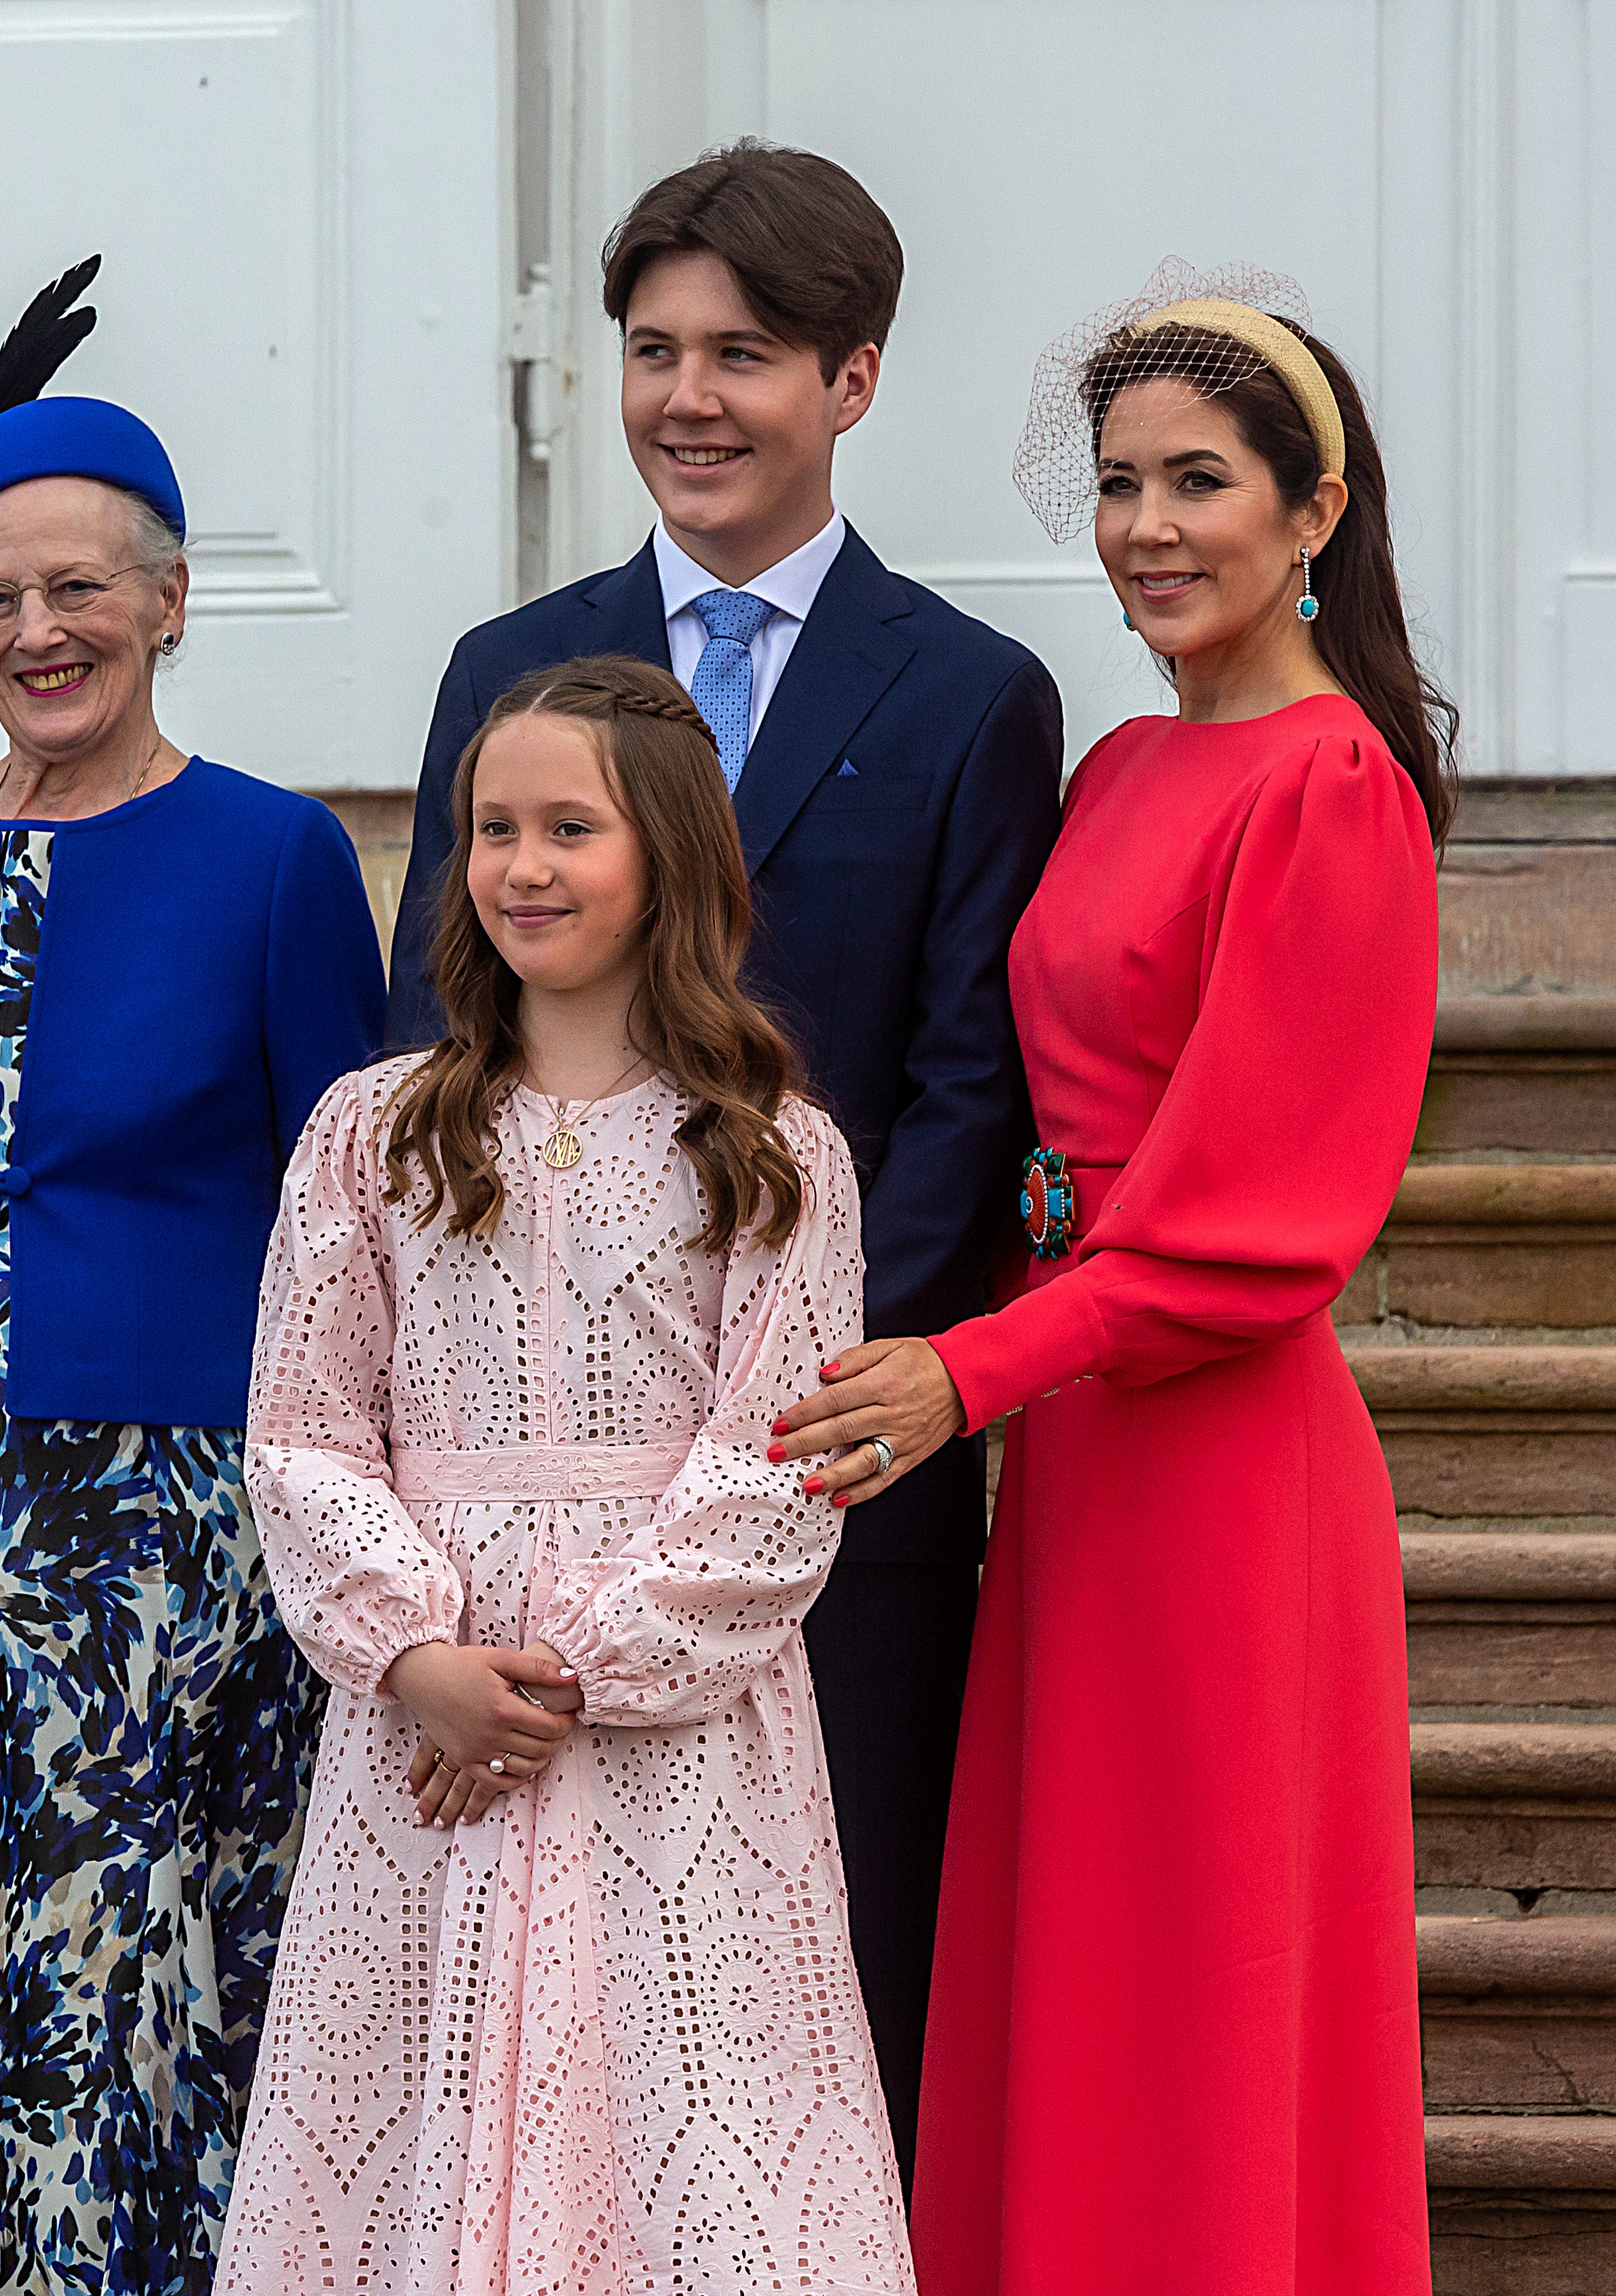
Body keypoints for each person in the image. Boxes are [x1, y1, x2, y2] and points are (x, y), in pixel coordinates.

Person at [381, 144, 1060, 2166]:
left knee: (797, 2014)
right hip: (514, 1487)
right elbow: (435, 1042)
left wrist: (804, 1414)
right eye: (652, 350)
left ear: (850, 380)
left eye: (743, 354)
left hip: (813, 1474)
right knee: (520, 2034)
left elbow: (963, 1086)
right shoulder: (510, 663)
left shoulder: (968, 694)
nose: (688, 397)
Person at [775, 263, 1449, 2293]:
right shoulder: (1124, 770)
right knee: (1073, 1955)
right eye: (1117, 482)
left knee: (1193, 1972)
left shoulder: (1331, 787)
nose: (1148, 525)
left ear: (1314, 511)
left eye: (1201, 481)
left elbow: (1256, 1228)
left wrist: (968, 1370)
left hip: (1217, 1460)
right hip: (1068, 1441)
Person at [0, 258, 387, 2295]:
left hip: (175, 1514)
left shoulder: (274, 853)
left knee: (129, 1973)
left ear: (172, 598)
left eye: (81, 589)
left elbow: (347, 1201)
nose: (38, 631)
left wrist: (355, 1482)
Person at [214, 656, 910, 2293]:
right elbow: (303, 1428)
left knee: (680, 2109)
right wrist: (418, 1654)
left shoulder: (769, 1147)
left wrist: (567, 1679)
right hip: (429, 1718)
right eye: (489, 828)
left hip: (676, 1741)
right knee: (414, 2106)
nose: (522, 865)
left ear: (665, 854)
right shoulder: (371, 1132)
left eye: (568, 828)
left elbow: (774, 1464)